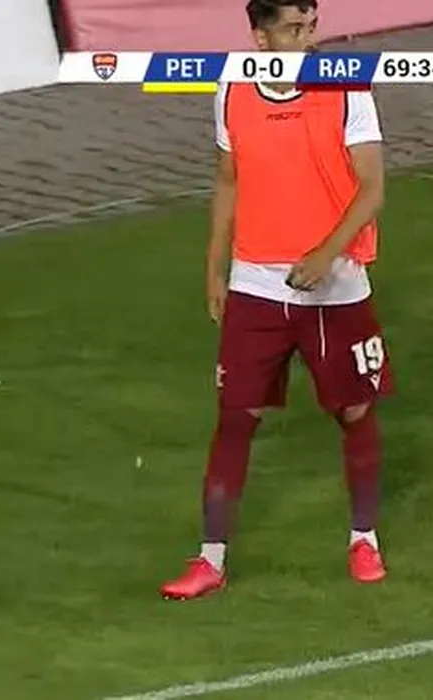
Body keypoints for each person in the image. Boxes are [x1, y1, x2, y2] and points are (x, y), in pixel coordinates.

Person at [159, 0, 392, 600]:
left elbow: (371, 189)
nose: (307, 39)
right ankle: (211, 558)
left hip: (337, 284)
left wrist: (324, 255)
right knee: (236, 415)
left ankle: (363, 538)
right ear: (260, 37)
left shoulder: (346, 87)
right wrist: (215, 266)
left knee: (354, 411)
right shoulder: (232, 88)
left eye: (310, 26)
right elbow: (228, 179)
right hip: (256, 284)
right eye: (293, 29)